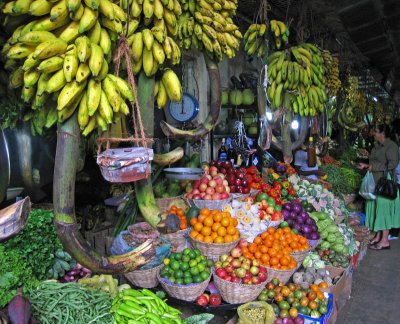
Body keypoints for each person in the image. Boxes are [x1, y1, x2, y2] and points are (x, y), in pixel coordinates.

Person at [357, 124, 400, 250]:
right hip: (375, 181)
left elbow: (393, 164)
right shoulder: (377, 146)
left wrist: (372, 167)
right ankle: (378, 236)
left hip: (385, 183)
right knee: (375, 208)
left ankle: (385, 241)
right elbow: (375, 161)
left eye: (375, 131)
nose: (373, 133)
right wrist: (366, 165)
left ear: (382, 133)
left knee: (383, 210)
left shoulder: (391, 146)